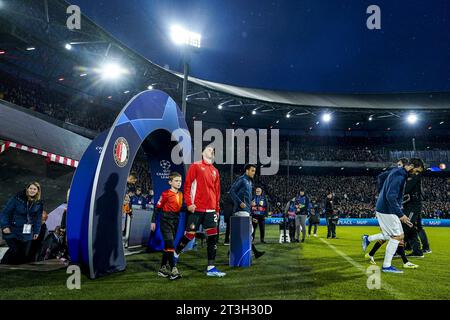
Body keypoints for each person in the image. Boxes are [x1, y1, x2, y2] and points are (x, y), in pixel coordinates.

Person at [173, 145, 225, 277]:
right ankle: (174, 255)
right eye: (209, 149)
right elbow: (188, 185)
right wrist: (189, 203)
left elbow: (217, 191)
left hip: (211, 210)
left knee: (213, 237)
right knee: (190, 235)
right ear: (202, 153)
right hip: (197, 208)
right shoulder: (195, 166)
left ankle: (211, 267)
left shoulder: (215, 171)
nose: (211, 151)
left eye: (213, 150)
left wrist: (217, 209)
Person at [362, 159, 417, 273]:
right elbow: (390, 195)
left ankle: (369, 240)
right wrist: (401, 214)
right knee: (396, 236)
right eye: (417, 171)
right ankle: (388, 265)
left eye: (399, 165)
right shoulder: (398, 174)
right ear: (409, 166)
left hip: (387, 208)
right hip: (388, 209)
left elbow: (381, 177)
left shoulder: (396, 173)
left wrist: (382, 191)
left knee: (394, 236)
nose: (416, 174)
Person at [1, 182, 43, 264]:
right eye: (30, 188)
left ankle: (14, 270)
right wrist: (4, 226)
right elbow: (5, 213)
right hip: (12, 229)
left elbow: (38, 218)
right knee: (15, 250)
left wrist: (37, 231)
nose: (32, 190)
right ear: (27, 189)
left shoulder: (38, 203)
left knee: (23, 254)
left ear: (38, 191)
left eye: (35, 189)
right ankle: (3, 265)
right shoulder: (17, 199)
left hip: (27, 232)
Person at [151, 172, 183, 280]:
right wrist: (153, 221)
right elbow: (157, 207)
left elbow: (178, 208)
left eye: (180, 181)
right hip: (165, 221)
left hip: (176, 221)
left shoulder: (180, 194)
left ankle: (162, 269)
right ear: (170, 182)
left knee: (168, 246)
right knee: (170, 244)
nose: (179, 183)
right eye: (176, 181)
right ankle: (173, 269)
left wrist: (189, 208)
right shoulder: (165, 194)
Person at [229, 164, 265, 259]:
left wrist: (251, 204)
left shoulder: (249, 182)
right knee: (247, 232)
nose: (254, 172)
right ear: (247, 171)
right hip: (241, 210)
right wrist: (239, 202)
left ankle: (232, 251)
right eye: (252, 170)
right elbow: (231, 191)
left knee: (246, 232)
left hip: (246, 210)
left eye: (254, 171)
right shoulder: (242, 179)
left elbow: (246, 196)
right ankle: (249, 253)